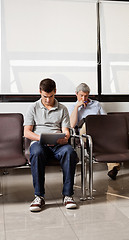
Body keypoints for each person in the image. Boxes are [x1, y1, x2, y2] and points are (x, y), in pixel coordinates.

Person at [24, 78, 78, 212]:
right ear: (40, 92)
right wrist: (41, 138)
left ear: (55, 92)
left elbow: (66, 130)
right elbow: (27, 132)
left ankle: (68, 195)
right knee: (36, 153)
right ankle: (39, 196)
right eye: (45, 96)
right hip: (39, 143)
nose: (48, 100)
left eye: (51, 96)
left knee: (70, 152)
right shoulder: (33, 108)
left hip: (58, 144)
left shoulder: (62, 109)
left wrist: (65, 138)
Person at [68, 83, 118, 180]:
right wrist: (76, 108)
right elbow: (72, 125)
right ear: (76, 94)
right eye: (81, 95)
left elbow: (105, 120)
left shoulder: (96, 104)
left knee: (111, 138)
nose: (84, 98)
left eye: (86, 96)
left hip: (99, 131)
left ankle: (113, 167)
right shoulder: (72, 107)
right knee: (88, 122)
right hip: (83, 133)